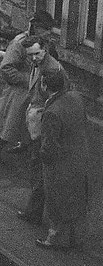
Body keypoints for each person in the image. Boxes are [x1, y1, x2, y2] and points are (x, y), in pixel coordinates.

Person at [0, 11, 54, 164]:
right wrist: (28, 80)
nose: (49, 33)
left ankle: (23, 144)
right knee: (7, 120)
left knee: (31, 122)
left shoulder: (44, 43)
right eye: (46, 29)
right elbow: (6, 67)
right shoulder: (19, 43)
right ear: (36, 27)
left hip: (37, 91)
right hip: (18, 91)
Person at [36, 69, 90, 250]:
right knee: (75, 199)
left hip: (59, 164)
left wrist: (42, 157)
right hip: (79, 157)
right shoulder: (76, 97)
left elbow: (49, 145)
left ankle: (55, 238)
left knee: (56, 201)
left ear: (45, 86)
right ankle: (75, 239)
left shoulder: (52, 112)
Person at [19, 34, 67, 226]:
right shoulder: (38, 63)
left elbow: (56, 100)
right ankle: (35, 212)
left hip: (43, 127)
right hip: (36, 124)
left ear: (45, 50)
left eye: (36, 53)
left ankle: (35, 214)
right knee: (36, 168)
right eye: (30, 55)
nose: (33, 58)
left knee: (39, 169)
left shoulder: (51, 70)